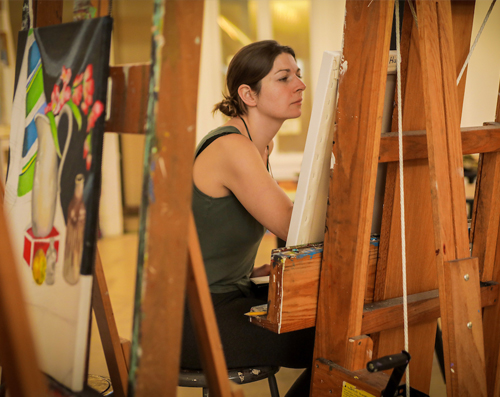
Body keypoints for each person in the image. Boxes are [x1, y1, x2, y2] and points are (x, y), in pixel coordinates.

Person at [181, 40, 316, 397]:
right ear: (249, 94)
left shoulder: (260, 147)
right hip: (193, 316)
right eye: (284, 77)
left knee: (336, 321)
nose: (300, 84)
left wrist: (246, 270)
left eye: (298, 75)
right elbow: (293, 228)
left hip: (228, 294)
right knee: (334, 334)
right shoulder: (232, 147)